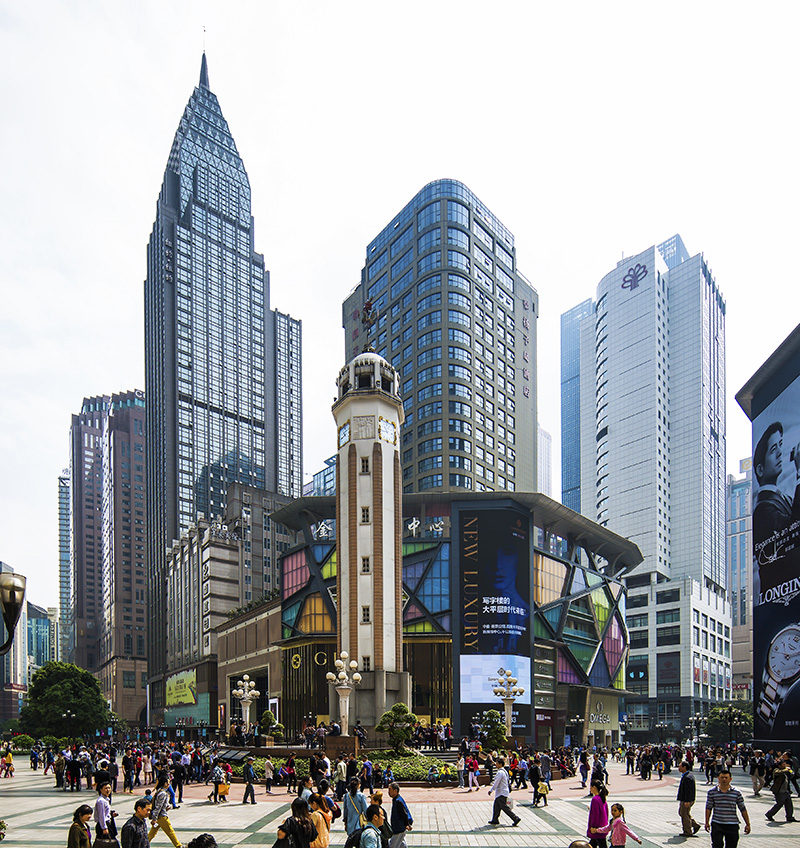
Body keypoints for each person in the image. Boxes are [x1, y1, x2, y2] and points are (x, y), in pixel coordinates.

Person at [705, 768, 751, 848]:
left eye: (726, 778)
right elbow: (708, 808)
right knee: (717, 844)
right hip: (717, 823)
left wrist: (748, 824)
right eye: (722, 777)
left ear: (730, 779)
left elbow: (742, 808)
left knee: (732, 845)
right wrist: (707, 822)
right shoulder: (712, 792)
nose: (724, 779)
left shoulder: (736, 792)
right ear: (718, 778)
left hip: (732, 824)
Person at [148, 775, 182, 848]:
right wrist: (154, 818)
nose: (169, 784)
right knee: (170, 831)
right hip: (161, 817)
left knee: (152, 833)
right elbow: (158, 807)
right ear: (165, 783)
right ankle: (178, 845)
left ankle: (144, 843)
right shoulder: (163, 793)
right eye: (168, 782)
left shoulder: (160, 791)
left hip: (159, 816)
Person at [487, 756, 521, 827]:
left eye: (497, 763)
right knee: (496, 806)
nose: (495, 764)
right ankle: (495, 819)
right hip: (502, 792)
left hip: (501, 793)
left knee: (504, 807)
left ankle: (515, 818)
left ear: (500, 764)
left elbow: (496, 783)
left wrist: (491, 790)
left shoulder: (500, 773)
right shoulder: (504, 771)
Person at [765, 758, 797, 823]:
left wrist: (791, 771)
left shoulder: (785, 771)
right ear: (779, 765)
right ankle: (769, 814)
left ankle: (789, 816)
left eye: (785, 764)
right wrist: (786, 770)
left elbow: (792, 775)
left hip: (786, 790)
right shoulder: (776, 770)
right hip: (779, 791)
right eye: (783, 764)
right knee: (779, 804)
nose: (785, 766)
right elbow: (779, 773)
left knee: (789, 804)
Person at [677, 760, 702, 836]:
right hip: (685, 799)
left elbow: (688, 790)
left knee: (684, 814)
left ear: (684, 767)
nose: (679, 768)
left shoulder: (687, 777)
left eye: (680, 766)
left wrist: (687, 801)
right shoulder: (687, 776)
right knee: (683, 813)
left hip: (686, 799)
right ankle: (695, 825)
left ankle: (687, 831)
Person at [388, 781, 413, 848]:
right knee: (402, 844)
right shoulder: (396, 799)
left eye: (390, 790)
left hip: (399, 828)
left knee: (392, 845)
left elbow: (404, 813)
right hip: (398, 827)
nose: (388, 792)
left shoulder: (398, 801)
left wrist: (407, 824)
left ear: (395, 791)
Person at [587, 781, 609, 848]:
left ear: (594, 787)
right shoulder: (602, 798)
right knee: (592, 844)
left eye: (590, 787)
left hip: (597, 828)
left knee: (602, 845)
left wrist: (593, 827)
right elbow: (605, 812)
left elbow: (595, 815)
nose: (590, 789)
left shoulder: (595, 799)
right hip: (603, 825)